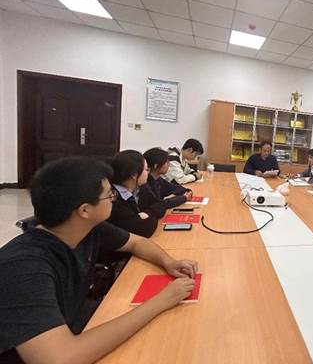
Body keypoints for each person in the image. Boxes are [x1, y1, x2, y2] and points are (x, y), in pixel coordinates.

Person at [0, 157, 198, 364]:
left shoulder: (85, 228)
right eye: (109, 194)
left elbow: (137, 242)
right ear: (85, 210)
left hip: (72, 325)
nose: (114, 198)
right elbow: (60, 358)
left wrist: (168, 262)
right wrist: (161, 301)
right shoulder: (24, 267)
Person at [108, 150, 163, 238]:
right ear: (134, 174)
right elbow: (143, 230)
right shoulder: (112, 199)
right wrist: (151, 217)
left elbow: (160, 205)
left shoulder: (139, 188)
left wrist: (146, 213)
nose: (148, 173)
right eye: (146, 170)